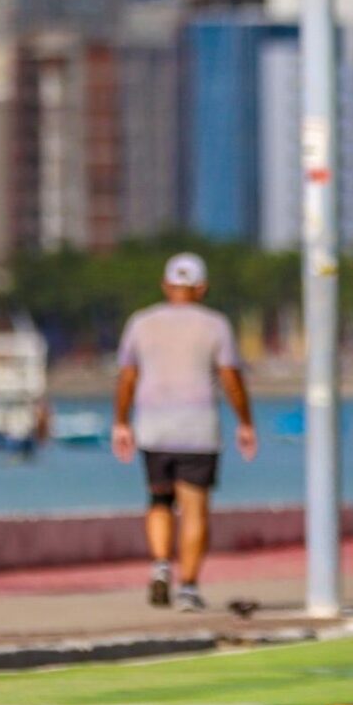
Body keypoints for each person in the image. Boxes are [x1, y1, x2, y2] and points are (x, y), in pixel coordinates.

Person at [113, 252, 256, 612]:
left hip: (153, 429)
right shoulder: (215, 325)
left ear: (166, 285)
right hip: (198, 432)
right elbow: (230, 379)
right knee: (194, 510)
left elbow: (127, 378)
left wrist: (121, 422)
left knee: (159, 501)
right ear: (202, 288)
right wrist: (245, 422)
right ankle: (188, 588)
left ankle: (161, 565)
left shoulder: (140, 323)